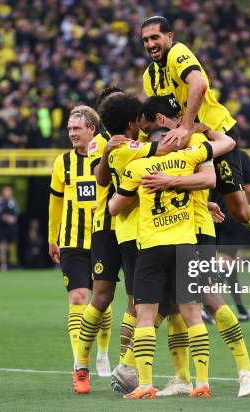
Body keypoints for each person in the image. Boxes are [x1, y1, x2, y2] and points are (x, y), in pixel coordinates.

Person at [140, 16, 250, 281]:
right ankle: (197, 280)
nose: (150, 44)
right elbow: (154, 115)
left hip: (216, 133)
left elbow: (199, 85)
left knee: (239, 210)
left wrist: (186, 125)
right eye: (146, 40)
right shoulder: (149, 76)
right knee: (189, 202)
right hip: (189, 141)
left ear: (169, 37)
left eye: (155, 37)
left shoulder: (178, 53)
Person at [138, 97, 250, 397]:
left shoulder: (192, 138)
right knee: (174, 305)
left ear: (161, 120)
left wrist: (202, 130)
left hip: (198, 231)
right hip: (173, 231)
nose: (148, 134)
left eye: (151, 126)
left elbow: (211, 171)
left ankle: (246, 371)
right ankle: (182, 377)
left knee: (209, 298)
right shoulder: (159, 147)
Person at [107, 124, 236, 399]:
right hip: (185, 246)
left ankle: (144, 385)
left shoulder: (138, 167)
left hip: (152, 248)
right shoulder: (188, 159)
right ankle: (202, 382)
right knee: (192, 314)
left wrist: (136, 196)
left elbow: (114, 208)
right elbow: (228, 143)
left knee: (145, 316)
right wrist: (205, 128)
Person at [72, 93, 180, 395]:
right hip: (108, 224)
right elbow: (101, 179)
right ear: (131, 118)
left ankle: (125, 366)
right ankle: (81, 365)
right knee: (103, 296)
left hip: (132, 224)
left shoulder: (132, 143)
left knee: (137, 302)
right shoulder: (102, 144)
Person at [48, 106, 113, 388]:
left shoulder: (106, 158)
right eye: (70, 128)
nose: (72, 133)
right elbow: (56, 203)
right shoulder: (62, 163)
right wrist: (53, 237)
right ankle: (79, 364)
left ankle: (102, 354)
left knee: (103, 300)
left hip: (102, 237)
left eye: (77, 128)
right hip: (72, 242)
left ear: (92, 129)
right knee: (78, 298)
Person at [0, 186, 18, 271]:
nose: (8, 195)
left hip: (10, 227)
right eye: (6, 193)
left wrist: (12, 218)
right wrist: (3, 217)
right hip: (0, 226)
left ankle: (7, 264)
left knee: (9, 245)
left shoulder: (13, 202)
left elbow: (16, 213)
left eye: (9, 193)